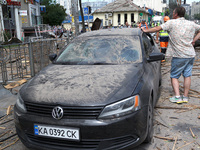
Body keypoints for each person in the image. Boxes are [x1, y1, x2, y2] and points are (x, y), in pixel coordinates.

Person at [141, 6, 200, 104]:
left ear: (176, 14)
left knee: (174, 76)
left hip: (179, 55)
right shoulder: (191, 24)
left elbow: (157, 28)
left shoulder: (171, 23)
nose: (172, 14)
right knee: (187, 75)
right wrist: (194, 40)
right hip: (190, 55)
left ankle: (177, 97)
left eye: (173, 13)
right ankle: (185, 97)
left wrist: (145, 30)